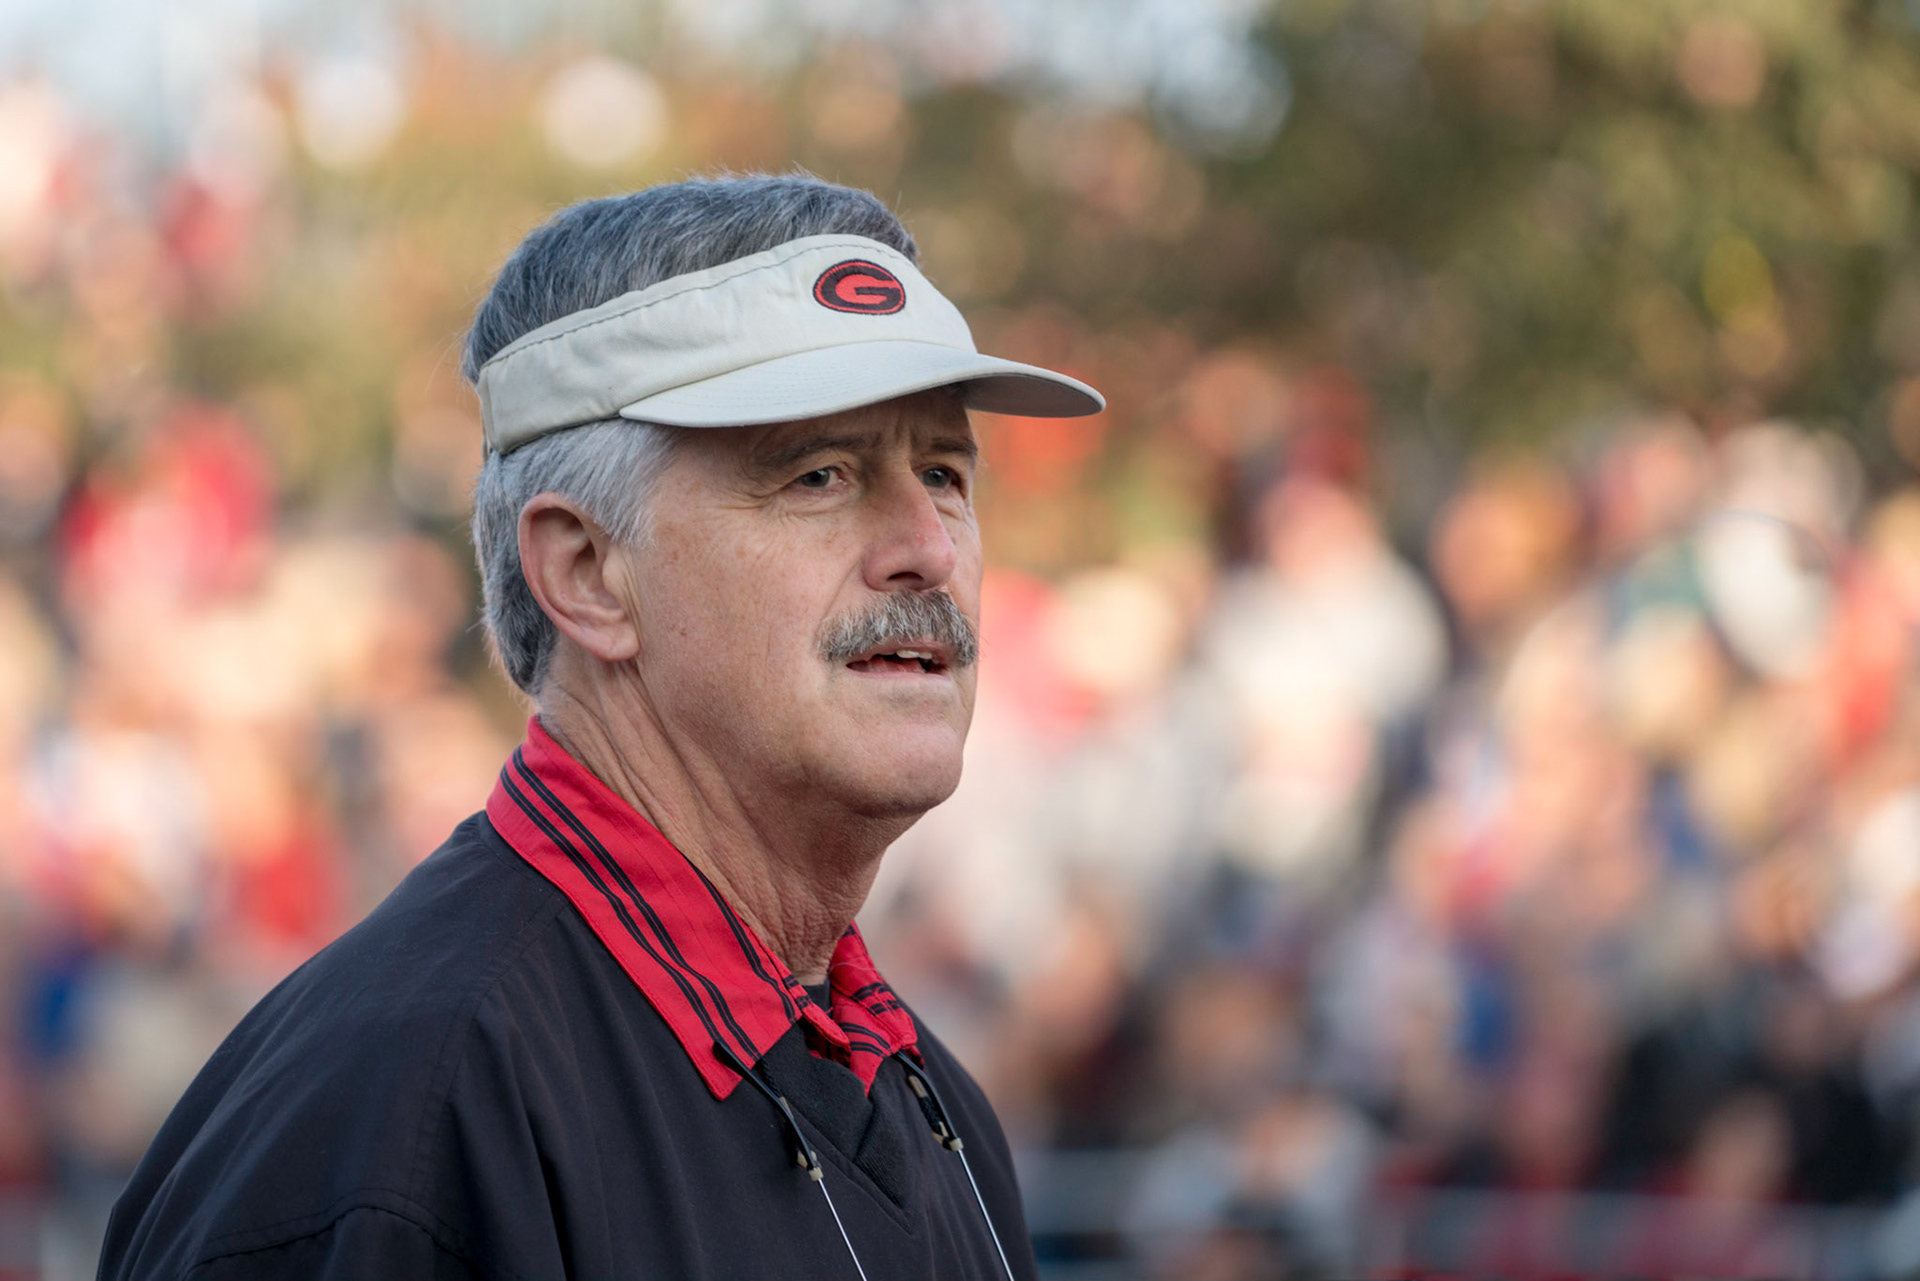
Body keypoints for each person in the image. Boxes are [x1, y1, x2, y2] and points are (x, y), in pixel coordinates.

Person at [97, 174, 1103, 1281]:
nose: (929, 545)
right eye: (820, 475)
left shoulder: (922, 1096)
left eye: (947, 473)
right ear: (586, 575)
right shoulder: (406, 1123)